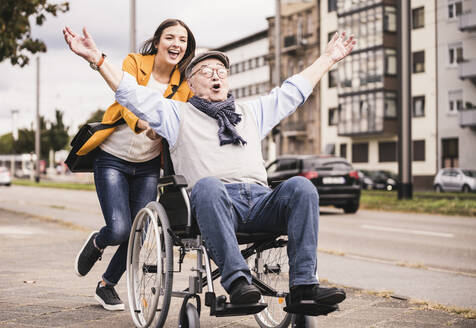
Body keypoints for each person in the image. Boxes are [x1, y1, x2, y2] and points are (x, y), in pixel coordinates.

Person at [63, 25, 355, 313]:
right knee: (207, 184)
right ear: (191, 83)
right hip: (215, 202)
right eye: (206, 71)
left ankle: (304, 287)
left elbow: (294, 91)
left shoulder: (251, 112)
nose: (216, 74)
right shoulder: (176, 114)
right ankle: (238, 282)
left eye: (221, 71)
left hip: (260, 200)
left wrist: (328, 57)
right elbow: (130, 93)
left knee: (301, 187)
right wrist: (97, 59)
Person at [69, 19, 196, 311]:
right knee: (118, 229)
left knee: (139, 230)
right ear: (158, 40)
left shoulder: (184, 82)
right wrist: (143, 124)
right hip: (112, 158)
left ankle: (107, 285)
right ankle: (100, 241)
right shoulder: (135, 62)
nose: (176, 44)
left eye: (183, 40)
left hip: (148, 164)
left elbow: (185, 117)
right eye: (170, 37)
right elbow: (124, 98)